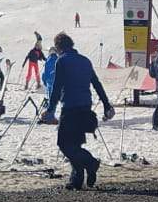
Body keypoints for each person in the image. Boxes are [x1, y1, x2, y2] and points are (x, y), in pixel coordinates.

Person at [43, 33, 114, 190]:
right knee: (75, 143)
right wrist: (106, 104)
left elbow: (56, 87)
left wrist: (50, 110)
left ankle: (91, 163)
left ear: (59, 47)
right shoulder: (85, 61)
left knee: (64, 144)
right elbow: (96, 83)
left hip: (70, 107)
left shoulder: (62, 61)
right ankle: (76, 180)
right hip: (85, 107)